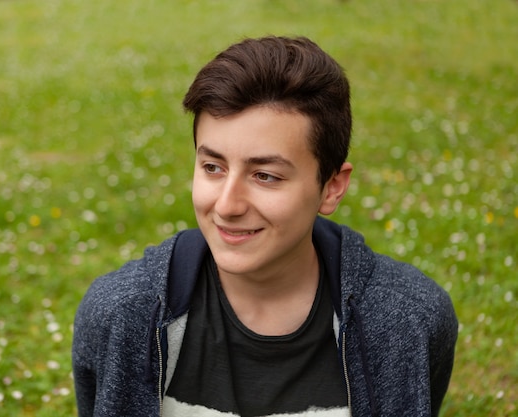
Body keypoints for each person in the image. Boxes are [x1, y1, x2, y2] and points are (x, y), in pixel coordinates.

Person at [72, 36, 458, 417]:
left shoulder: (410, 320)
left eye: (265, 176)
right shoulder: (120, 314)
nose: (227, 205)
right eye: (212, 167)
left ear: (331, 187)